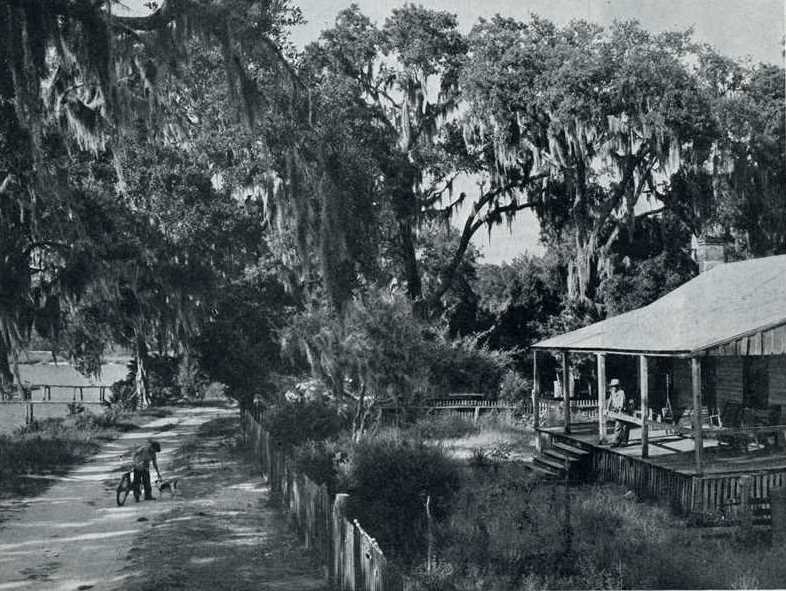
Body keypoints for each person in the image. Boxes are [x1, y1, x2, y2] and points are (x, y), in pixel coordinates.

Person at [606, 378, 629, 447]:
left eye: (615, 386)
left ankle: (624, 441)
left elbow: (622, 402)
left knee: (624, 426)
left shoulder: (621, 392)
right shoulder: (612, 392)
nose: (613, 388)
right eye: (612, 386)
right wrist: (607, 409)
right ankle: (617, 441)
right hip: (617, 411)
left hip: (624, 411)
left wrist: (620, 410)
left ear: (618, 386)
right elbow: (610, 400)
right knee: (618, 426)